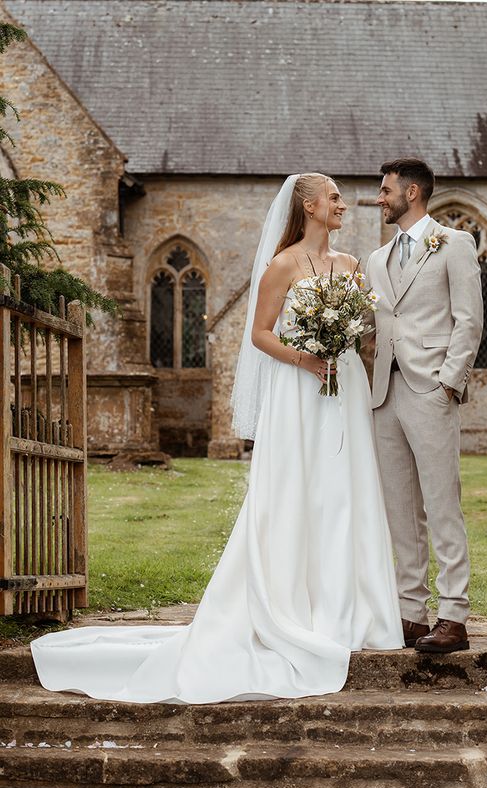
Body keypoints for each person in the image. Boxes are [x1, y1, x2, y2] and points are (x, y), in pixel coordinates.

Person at [30, 173, 404, 704]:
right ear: (308, 205)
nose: (343, 204)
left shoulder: (350, 266)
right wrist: (306, 358)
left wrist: (342, 339)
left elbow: (363, 326)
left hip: (342, 387)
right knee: (300, 491)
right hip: (300, 391)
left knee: (347, 491)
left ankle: (354, 608)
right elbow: (259, 334)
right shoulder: (281, 265)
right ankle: (292, 606)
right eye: (335, 198)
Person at [367, 158, 483, 654]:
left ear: (412, 193)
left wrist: (448, 384)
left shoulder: (454, 244)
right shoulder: (377, 259)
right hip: (384, 396)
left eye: (386, 189)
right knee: (400, 510)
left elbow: (469, 320)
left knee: (441, 505)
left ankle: (453, 615)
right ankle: (411, 614)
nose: (380, 197)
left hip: (430, 390)